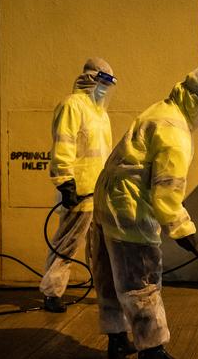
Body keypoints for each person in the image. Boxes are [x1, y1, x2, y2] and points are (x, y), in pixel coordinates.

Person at [89, 67, 198, 359]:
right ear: (194, 99)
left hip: (106, 203)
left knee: (110, 278)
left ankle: (117, 340)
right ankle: (151, 350)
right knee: (141, 279)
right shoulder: (175, 132)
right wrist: (186, 234)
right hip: (129, 210)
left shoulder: (160, 110)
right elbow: (166, 192)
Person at [40, 57, 117, 313]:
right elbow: (63, 144)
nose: (106, 89)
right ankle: (51, 292)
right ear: (91, 80)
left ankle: (104, 290)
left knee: (100, 247)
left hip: (99, 191)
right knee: (68, 242)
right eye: (104, 82)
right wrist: (65, 182)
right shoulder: (72, 105)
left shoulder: (100, 114)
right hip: (80, 190)